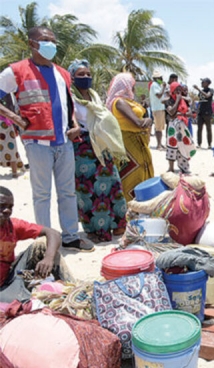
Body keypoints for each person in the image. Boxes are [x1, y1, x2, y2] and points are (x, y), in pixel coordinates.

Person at [0, 26, 94, 252]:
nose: (50, 44)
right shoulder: (15, 71)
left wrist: (73, 125)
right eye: (45, 40)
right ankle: (45, 239)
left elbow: (66, 103)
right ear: (32, 44)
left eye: (53, 40)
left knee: (67, 192)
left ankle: (70, 236)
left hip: (63, 142)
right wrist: (15, 118)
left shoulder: (62, 73)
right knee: (42, 194)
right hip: (37, 143)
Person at [68, 59, 128, 243]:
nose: (86, 77)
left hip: (101, 146)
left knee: (112, 183)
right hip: (83, 147)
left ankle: (117, 223)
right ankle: (94, 229)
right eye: (81, 75)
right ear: (72, 78)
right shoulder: (69, 97)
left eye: (88, 74)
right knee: (88, 189)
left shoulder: (94, 97)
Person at [0, 186, 66, 302]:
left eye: (10, 207)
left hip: (12, 274)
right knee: (17, 302)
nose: (7, 211)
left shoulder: (13, 225)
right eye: (2, 206)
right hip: (4, 286)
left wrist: (48, 259)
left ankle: (60, 283)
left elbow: (53, 233)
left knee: (42, 244)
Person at [106, 73, 154, 201]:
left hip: (137, 144)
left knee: (140, 174)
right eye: (132, 85)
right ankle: (130, 209)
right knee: (132, 177)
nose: (134, 88)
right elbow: (138, 123)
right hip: (129, 144)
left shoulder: (128, 102)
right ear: (125, 85)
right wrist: (148, 120)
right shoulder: (119, 102)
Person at [164, 82, 196, 174]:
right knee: (172, 145)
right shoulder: (168, 101)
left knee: (183, 145)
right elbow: (171, 112)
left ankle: (183, 166)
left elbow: (190, 113)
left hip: (183, 125)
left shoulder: (184, 100)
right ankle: (171, 168)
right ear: (172, 90)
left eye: (180, 90)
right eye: (176, 90)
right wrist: (177, 101)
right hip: (173, 127)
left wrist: (181, 114)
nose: (179, 92)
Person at [0, 94, 25, 178]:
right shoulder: (5, 90)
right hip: (7, 121)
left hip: (6, 122)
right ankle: (15, 172)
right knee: (11, 146)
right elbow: (10, 107)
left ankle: (14, 172)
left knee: (10, 146)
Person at [193, 78, 214, 149]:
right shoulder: (201, 91)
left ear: (207, 83)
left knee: (208, 129)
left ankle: (209, 144)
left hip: (207, 112)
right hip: (200, 112)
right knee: (199, 129)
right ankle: (199, 144)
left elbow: (207, 96)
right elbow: (200, 101)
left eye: (203, 82)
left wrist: (198, 89)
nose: (201, 83)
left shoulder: (211, 90)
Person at [149, 70, 167, 150]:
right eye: (160, 77)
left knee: (159, 127)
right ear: (157, 78)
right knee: (158, 128)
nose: (162, 79)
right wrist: (163, 87)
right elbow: (159, 95)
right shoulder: (155, 85)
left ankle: (160, 143)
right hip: (157, 109)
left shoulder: (157, 85)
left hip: (160, 108)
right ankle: (158, 145)